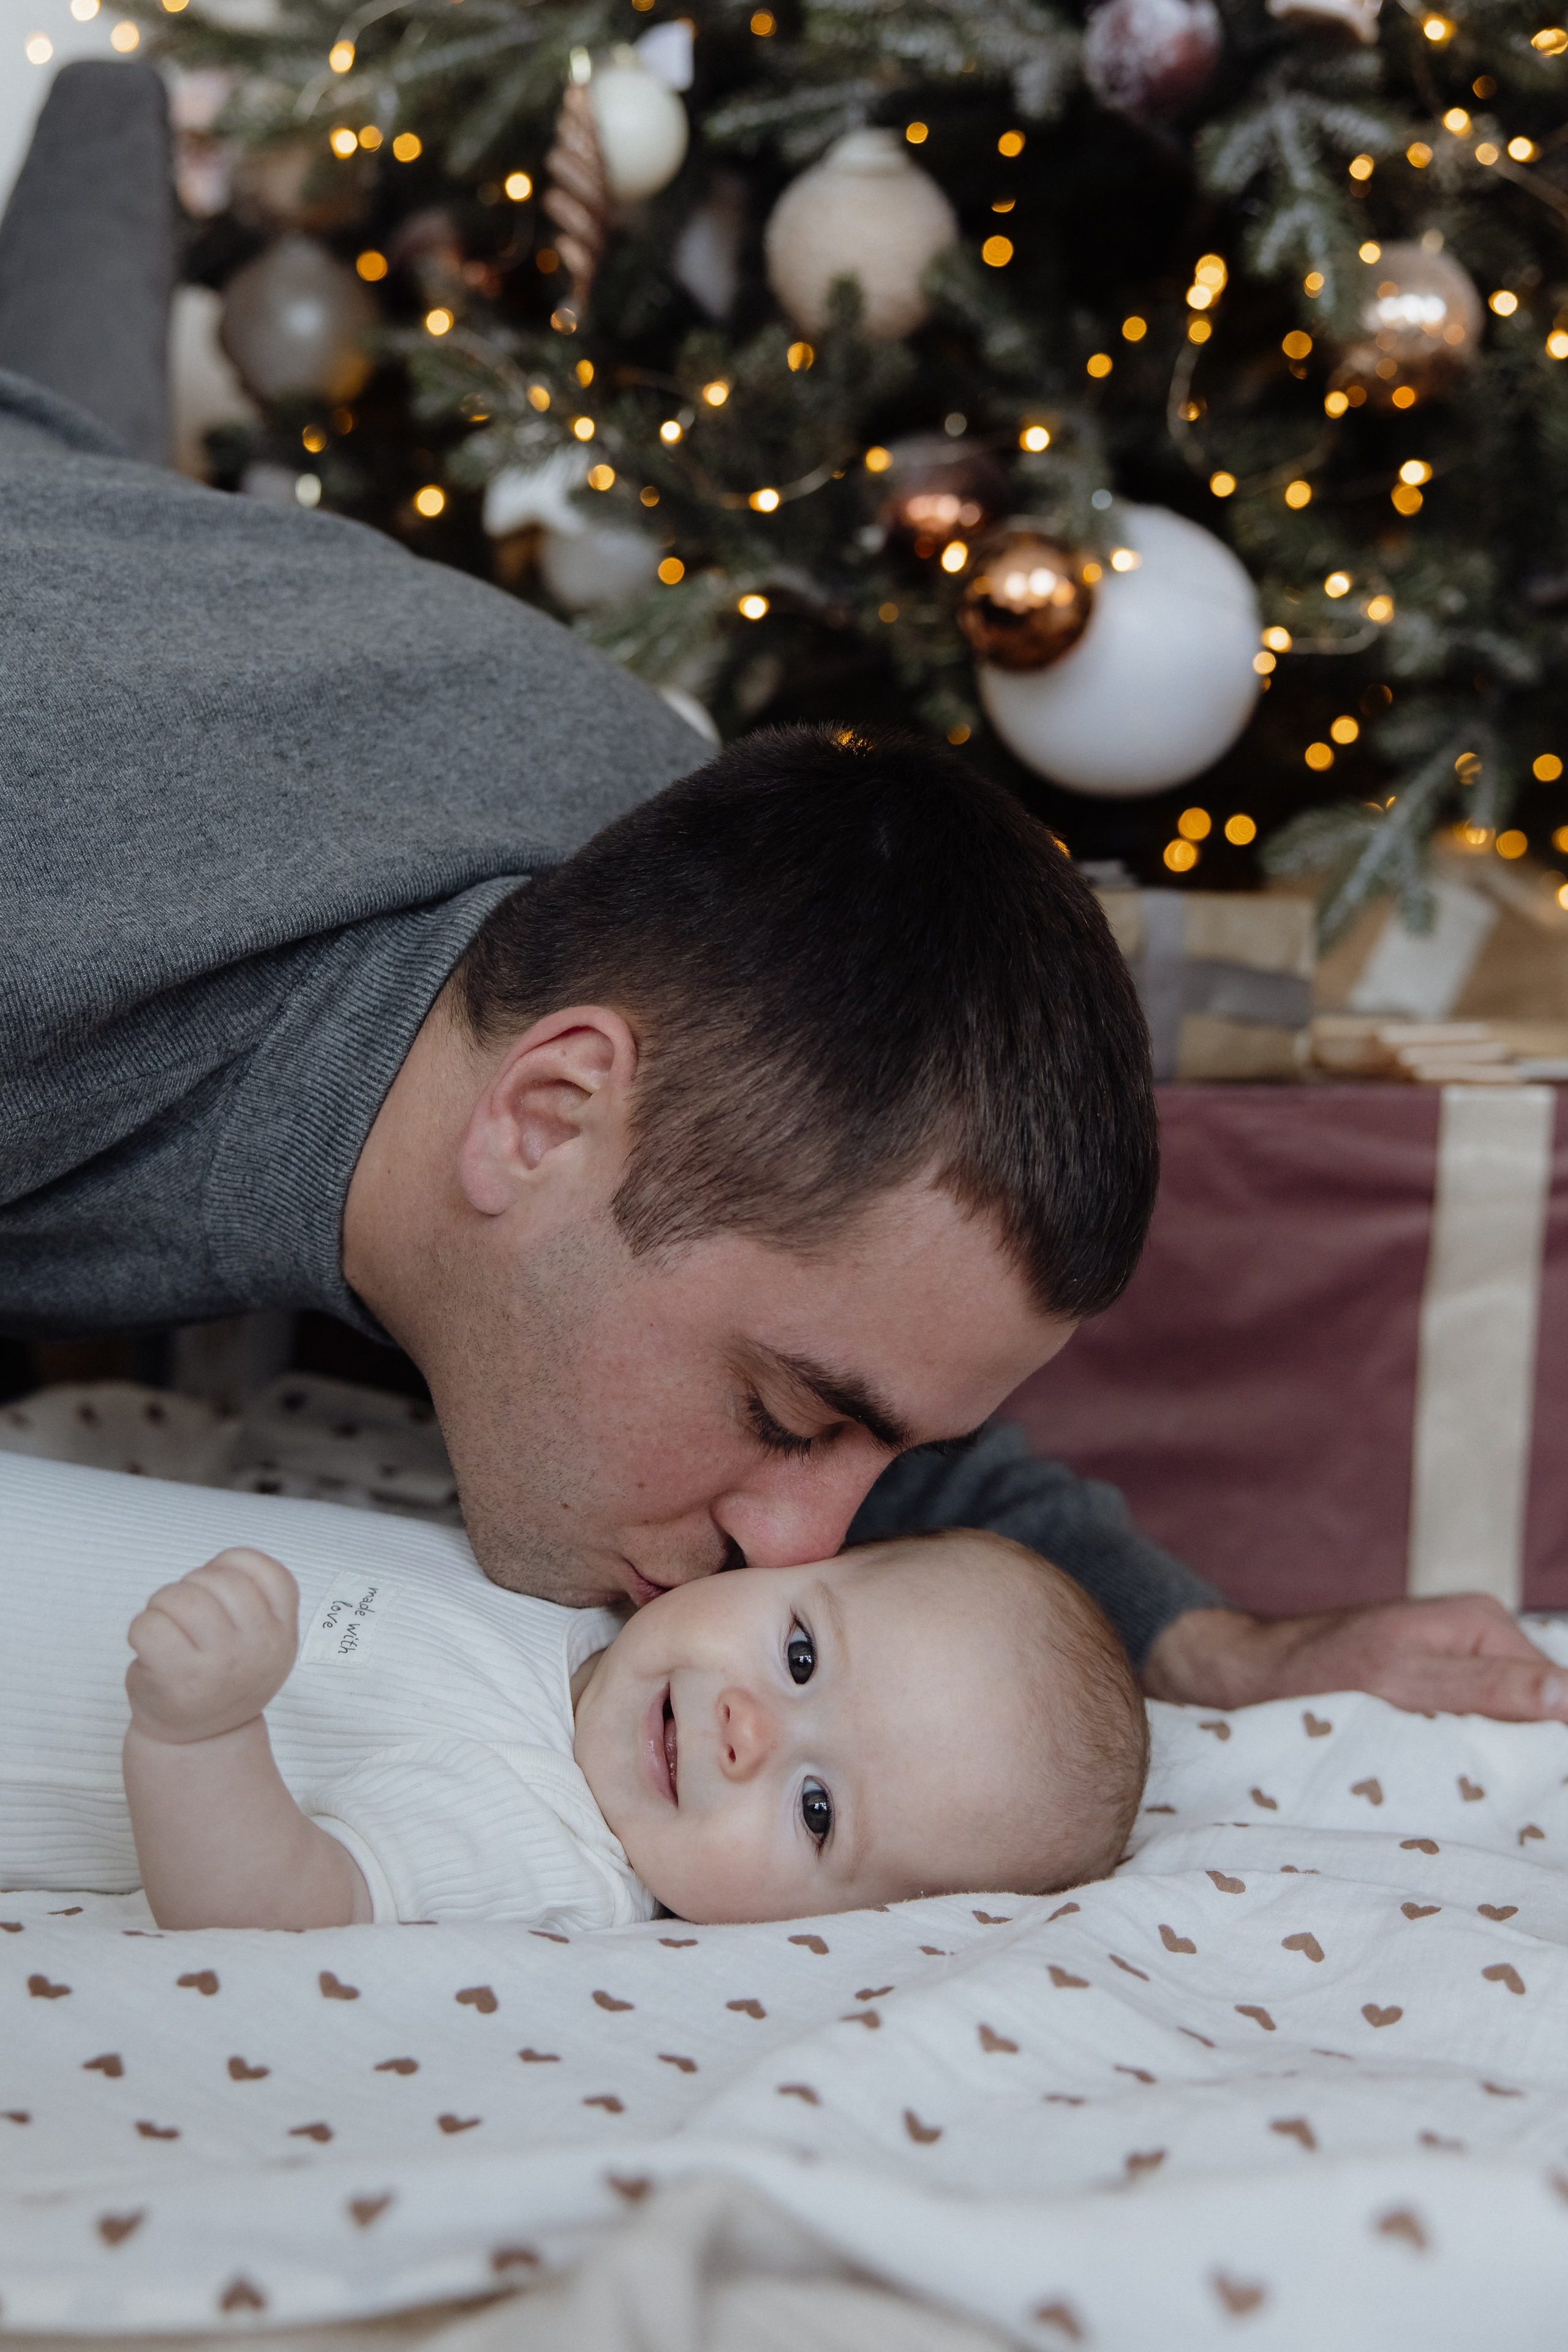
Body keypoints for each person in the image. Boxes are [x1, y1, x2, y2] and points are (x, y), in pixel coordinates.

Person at [2, 61, 1562, 1732]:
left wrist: (1209, 1644)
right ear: (541, 1116)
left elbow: (860, 1316)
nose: (801, 1552)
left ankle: (104, 112)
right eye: (780, 1415)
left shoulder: (663, 878)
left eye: (841, 1444)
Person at [0, 1449, 1148, 1926]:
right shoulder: (603, 1597)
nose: (752, 1730)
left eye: (817, 1810)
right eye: (800, 1655)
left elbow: (279, 1919)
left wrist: (203, 1737)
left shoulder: (546, 1848)